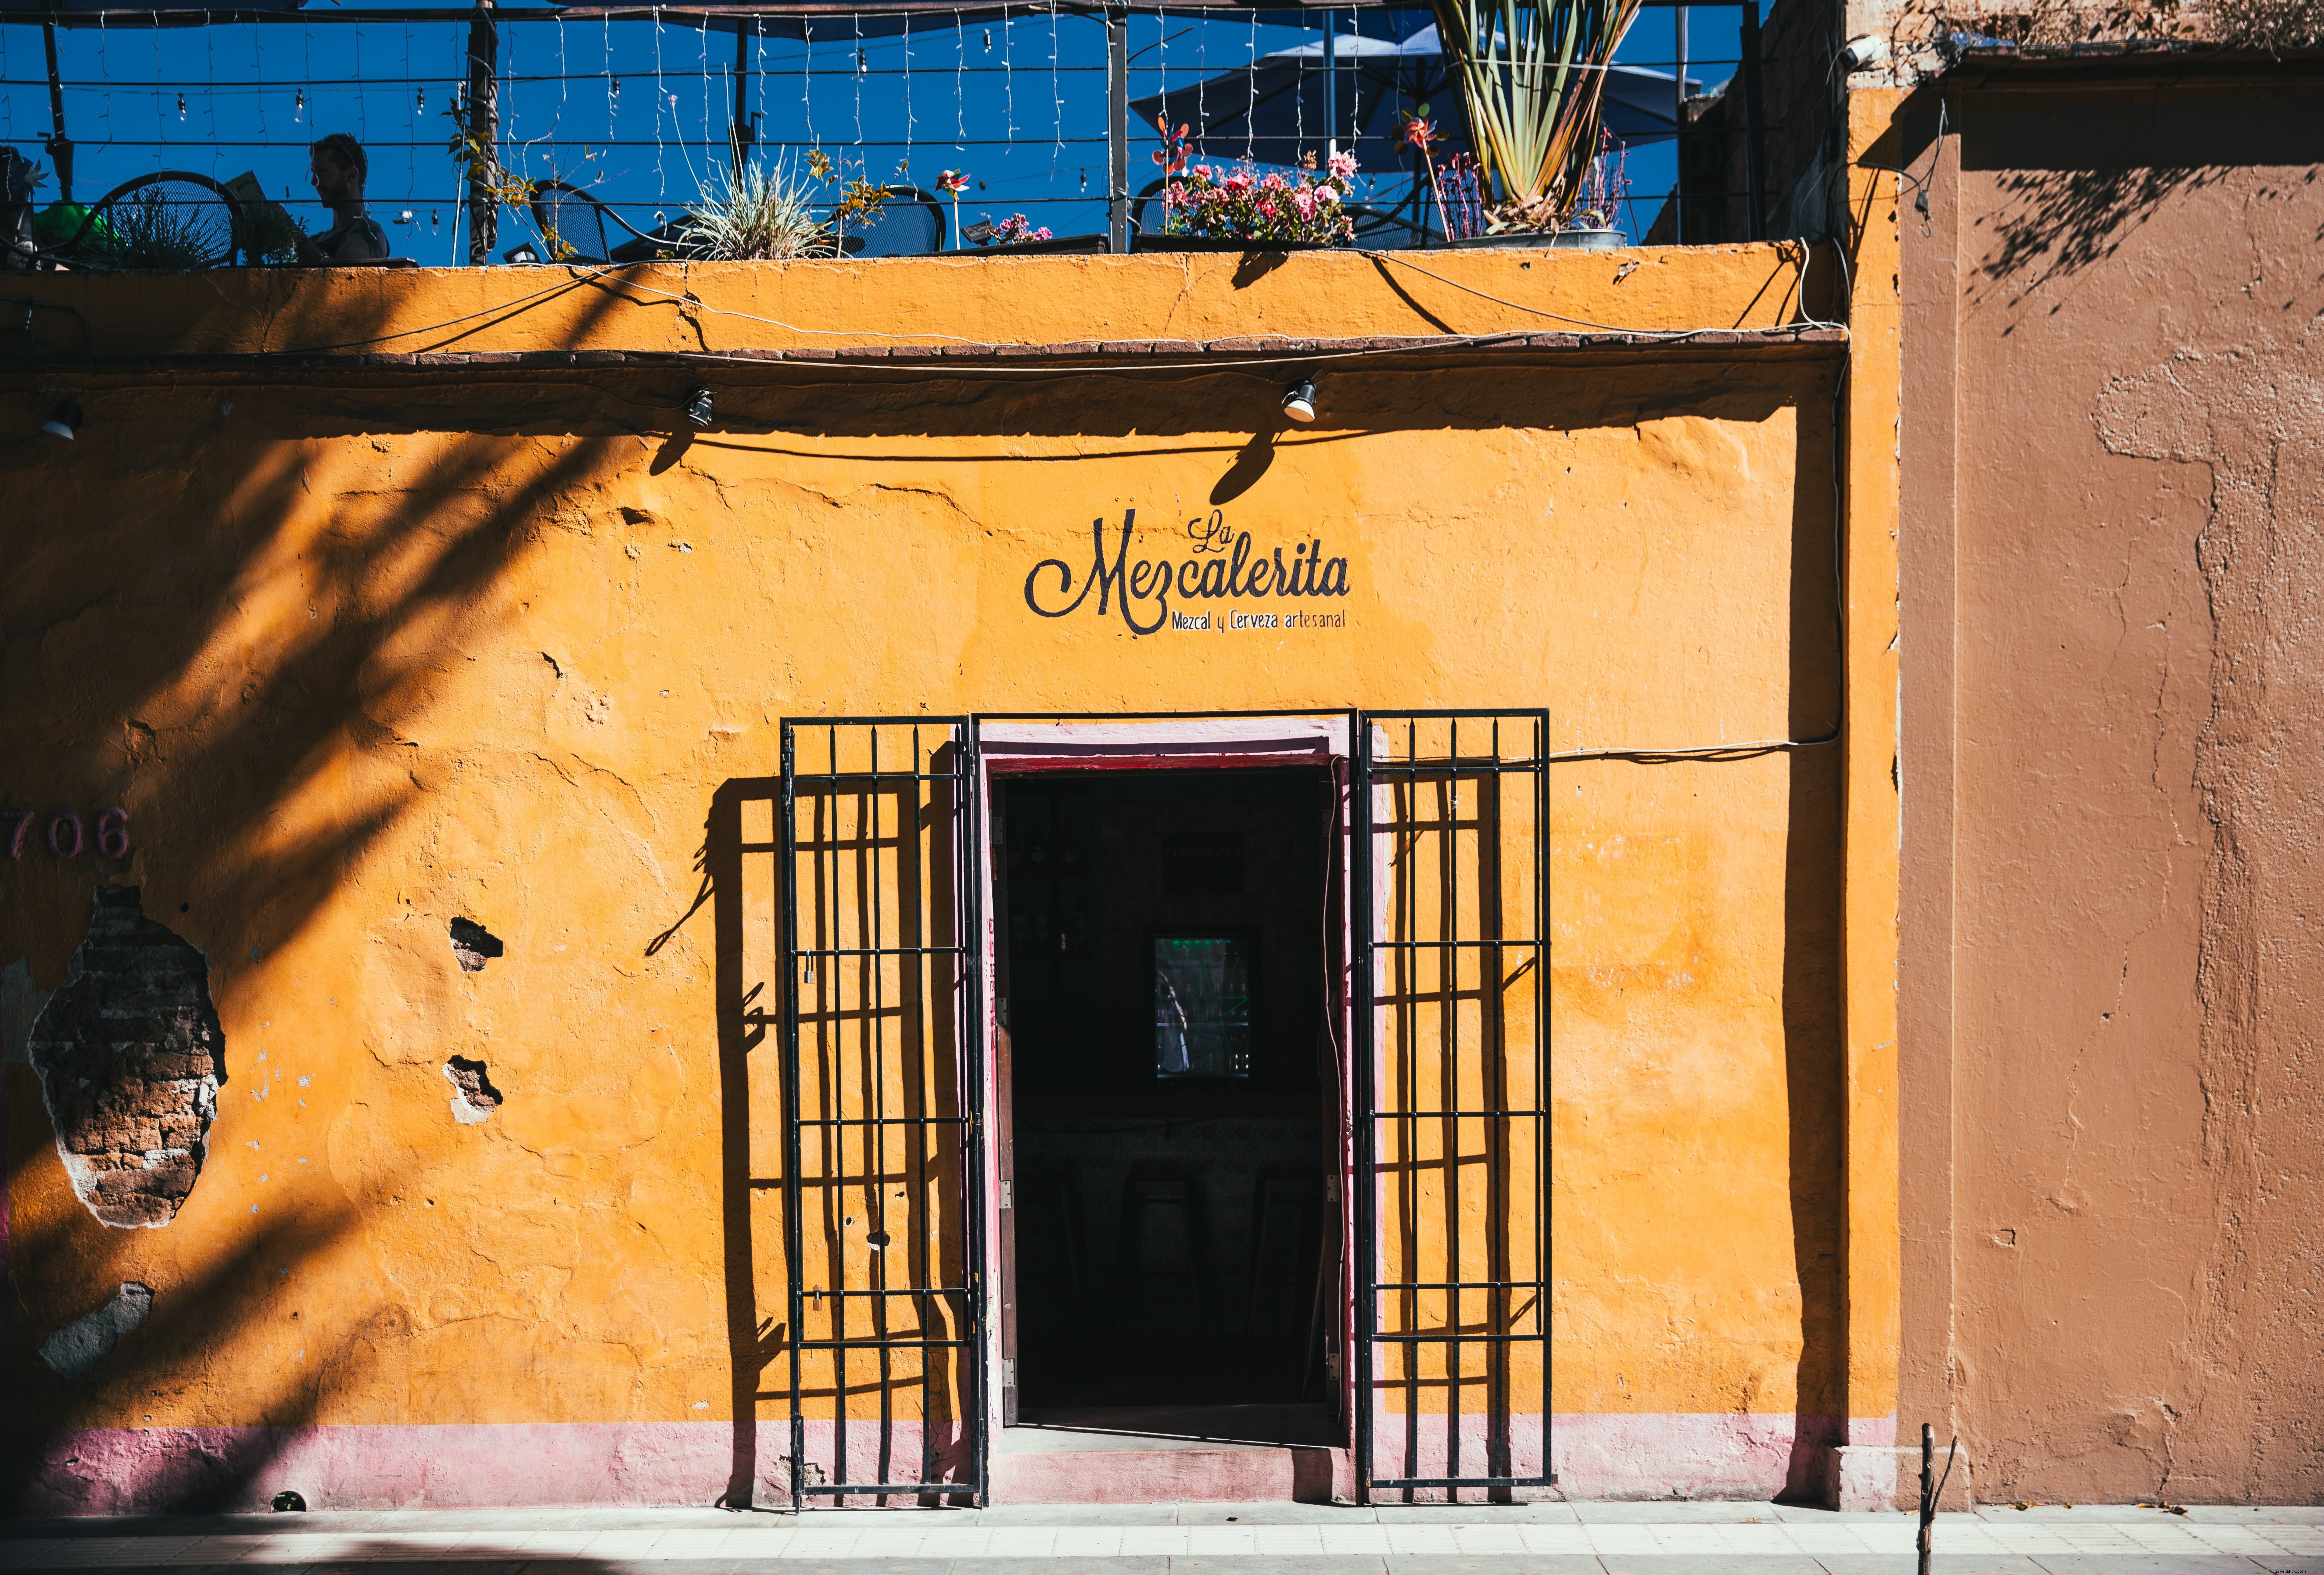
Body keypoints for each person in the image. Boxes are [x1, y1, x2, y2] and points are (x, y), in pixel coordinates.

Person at [296, 133, 388, 264]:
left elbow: (344, 279)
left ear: (351, 175)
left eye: (321, 172)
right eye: (314, 173)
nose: (314, 182)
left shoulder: (370, 233)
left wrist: (295, 237)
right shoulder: (316, 240)